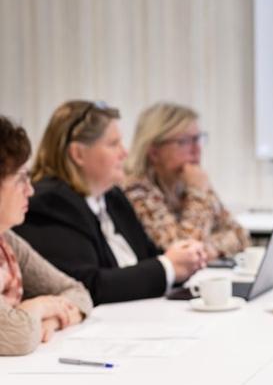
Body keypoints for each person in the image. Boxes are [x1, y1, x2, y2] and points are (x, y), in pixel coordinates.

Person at [15, 101, 206, 305]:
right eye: (113, 144)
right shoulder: (51, 203)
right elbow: (88, 285)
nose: (124, 153)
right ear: (78, 154)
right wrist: (168, 267)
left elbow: (149, 256)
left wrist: (183, 259)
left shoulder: (112, 196)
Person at [0, 115, 92, 355]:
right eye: (21, 179)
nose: (30, 190)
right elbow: (15, 336)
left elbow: (77, 292)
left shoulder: (7, 242)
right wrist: (40, 305)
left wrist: (51, 319)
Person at [123, 102, 250, 260]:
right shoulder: (136, 190)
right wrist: (197, 194)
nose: (197, 149)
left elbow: (240, 234)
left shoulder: (190, 179)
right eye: (184, 141)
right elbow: (183, 253)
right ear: (154, 151)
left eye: (198, 139)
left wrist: (210, 249)